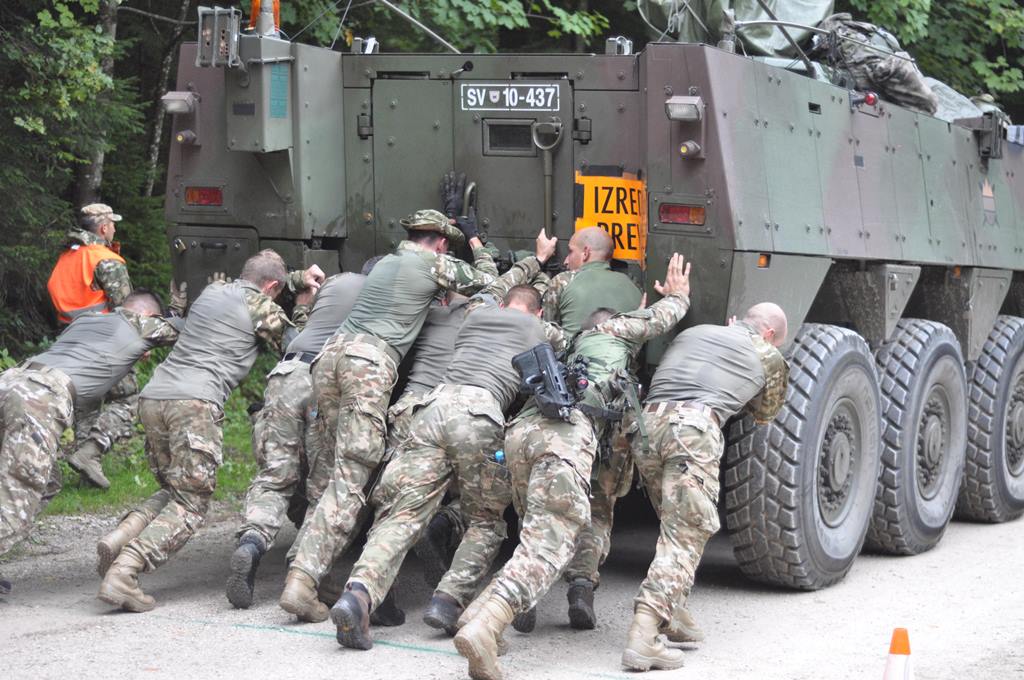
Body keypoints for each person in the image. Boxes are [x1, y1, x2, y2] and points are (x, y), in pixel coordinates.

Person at [454, 254, 692, 680]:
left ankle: (477, 614)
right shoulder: (615, 329)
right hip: (565, 436)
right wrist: (678, 295)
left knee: (533, 537)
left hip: (521, 431)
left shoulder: (564, 341)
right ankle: (486, 626)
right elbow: (660, 318)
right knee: (549, 546)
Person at [331, 231, 560, 650]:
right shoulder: (539, 329)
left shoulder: (473, 315)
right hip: (479, 416)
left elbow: (487, 287)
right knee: (487, 519)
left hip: (432, 409)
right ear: (537, 310)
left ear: (504, 302)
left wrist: (482, 252)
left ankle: (358, 593)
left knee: (403, 513)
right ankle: (448, 601)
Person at [278, 207, 497, 623]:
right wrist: (476, 243)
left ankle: (315, 576)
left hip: (330, 359)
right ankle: (302, 581)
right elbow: (490, 280)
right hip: (368, 364)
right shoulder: (434, 263)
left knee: (330, 475)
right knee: (352, 481)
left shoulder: (387, 262)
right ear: (442, 243)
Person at [96, 251, 323, 613]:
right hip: (195, 403)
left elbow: (262, 280)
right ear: (273, 288)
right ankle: (126, 571)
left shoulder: (213, 291)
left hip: (155, 396)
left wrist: (295, 279)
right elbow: (298, 346)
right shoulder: (261, 306)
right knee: (191, 503)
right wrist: (303, 304)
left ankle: (119, 537)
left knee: (174, 489)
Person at [620, 302, 789, 672]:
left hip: (645, 428)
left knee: (674, 526)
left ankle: (674, 615)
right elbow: (763, 414)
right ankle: (644, 635)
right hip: (692, 430)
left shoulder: (692, 333)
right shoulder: (768, 354)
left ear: (734, 321)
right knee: (685, 534)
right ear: (770, 335)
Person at [0, 290, 180, 593]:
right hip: (38, 399)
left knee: (48, 481)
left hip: (10, 380)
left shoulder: (90, 320)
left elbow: (97, 365)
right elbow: (194, 328)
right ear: (148, 316)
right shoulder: (141, 324)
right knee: (21, 490)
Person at [226, 266, 372, 610]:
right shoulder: (378, 296)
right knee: (322, 486)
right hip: (323, 377)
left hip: (286, 372)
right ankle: (303, 569)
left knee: (275, 475)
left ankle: (251, 542)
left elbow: (301, 323)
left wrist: (303, 293)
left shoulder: (334, 288)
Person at [541, 226, 643, 631]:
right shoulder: (634, 291)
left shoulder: (563, 282)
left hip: (573, 406)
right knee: (600, 505)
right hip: (617, 408)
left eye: (569, 251)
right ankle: (582, 585)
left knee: (551, 499)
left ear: (585, 253)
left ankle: (532, 584)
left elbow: (547, 338)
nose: (566, 258)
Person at [47, 203, 137, 490]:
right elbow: (127, 308)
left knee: (86, 404)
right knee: (129, 400)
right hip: (105, 341)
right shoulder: (105, 259)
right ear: (102, 228)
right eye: (112, 224)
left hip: (69, 341)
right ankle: (93, 450)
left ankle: (87, 469)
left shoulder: (67, 257)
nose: (114, 228)